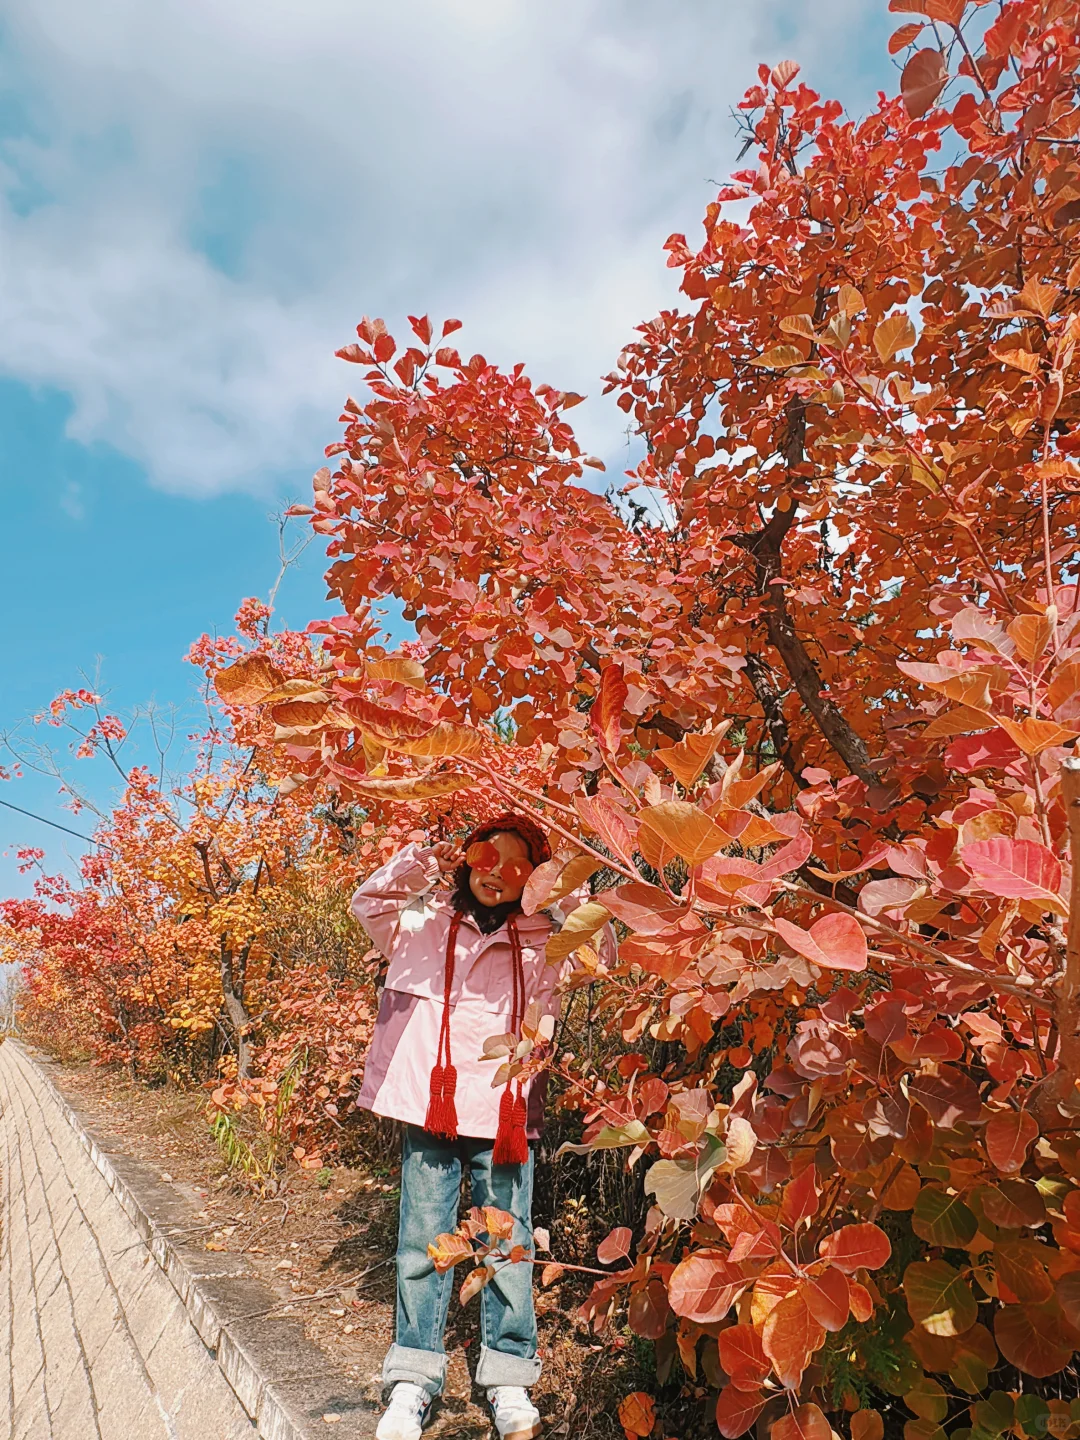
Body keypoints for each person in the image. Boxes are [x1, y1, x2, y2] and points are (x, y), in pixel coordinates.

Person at [351, 811, 563, 1440]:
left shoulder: (548, 934)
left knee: (507, 1241)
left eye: (517, 864)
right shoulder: (420, 921)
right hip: (432, 1105)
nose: (497, 874)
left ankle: (507, 1377)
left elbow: (604, 950)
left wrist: (566, 884)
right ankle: (413, 1377)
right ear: (467, 857)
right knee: (423, 1240)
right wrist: (427, 851)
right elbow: (369, 899)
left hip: (504, 1112)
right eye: (484, 856)